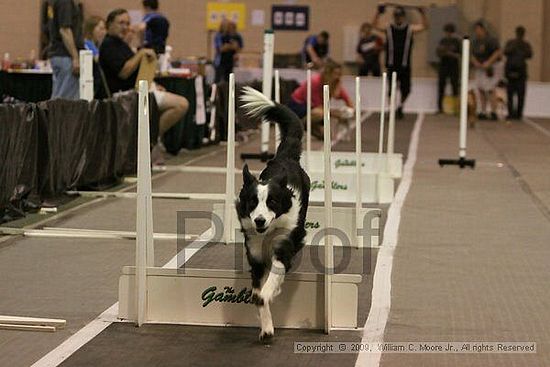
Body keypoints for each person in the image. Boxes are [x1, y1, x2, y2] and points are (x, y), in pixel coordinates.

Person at [99, 8, 189, 164]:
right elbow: (124, 72)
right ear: (109, 25)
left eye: (127, 23)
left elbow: (137, 72)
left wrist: (153, 84)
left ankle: (150, 139)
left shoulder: (121, 44)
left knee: (181, 104)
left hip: (139, 90)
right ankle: (150, 140)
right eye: (121, 23)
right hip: (125, 96)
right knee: (181, 104)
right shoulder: (108, 45)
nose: (125, 26)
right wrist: (140, 54)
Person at [373, 5, 428, 119]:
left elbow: (425, 26)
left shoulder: (409, 28)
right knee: (391, 90)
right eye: (396, 16)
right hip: (392, 64)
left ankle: (400, 107)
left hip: (405, 65)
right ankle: (391, 109)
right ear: (394, 17)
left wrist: (422, 13)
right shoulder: (389, 28)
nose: (399, 18)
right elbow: (375, 25)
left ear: (403, 17)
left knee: (406, 90)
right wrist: (378, 12)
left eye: (400, 16)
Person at [288, 60, 354, 140]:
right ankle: (297, 127)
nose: (338, 77)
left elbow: (346, 99)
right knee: (320, 114)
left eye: (339, 74)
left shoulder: (335, 83)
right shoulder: (315, 82)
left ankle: (308, 125)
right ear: (328, 73)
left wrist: (351, 111)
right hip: (298, 105)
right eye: (335, 74)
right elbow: (319, 107)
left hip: (313, 108)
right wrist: (338, 115)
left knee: (326, 137)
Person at [47, 0, 83, 100]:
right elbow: (64, 30)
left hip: (59, 55)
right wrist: (75, 57)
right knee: (66, 102)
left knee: (57, 98)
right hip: (66, 56)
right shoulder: (65, 2)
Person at [471, 21, 502, 120]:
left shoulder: (491, 40)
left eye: (478, 29)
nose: (477, 31)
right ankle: (483, 111)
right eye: (475, 29)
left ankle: (493, 111)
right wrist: (475, 62)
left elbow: (497, 52)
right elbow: (471, 53)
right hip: (479, 67)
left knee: (490, 89)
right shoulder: (475, 41)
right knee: (481, 89)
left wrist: (489, 62)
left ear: (483, 29)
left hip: (490, 67)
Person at [504, 26, 532, 120]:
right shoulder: (511, 43)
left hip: (521, 72)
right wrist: (515, 46)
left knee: (520, 94)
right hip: (510, 71)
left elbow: (529, 55)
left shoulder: (525, 44)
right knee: (510, 94)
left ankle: (518, 114)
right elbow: (505, 51)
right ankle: (511, 113)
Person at [436, 23, 461, 114]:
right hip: (444, 65)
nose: (448, 34)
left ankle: (456, 108)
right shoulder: (442, 41)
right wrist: (443, 52)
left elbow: (460, 55)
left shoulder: (457, 42)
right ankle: (440, 108)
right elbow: (438, 52)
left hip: (453, 66)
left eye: (449, 32)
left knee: (455, 87)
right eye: (446, 32)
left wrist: (450, 53)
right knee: (441, 87)